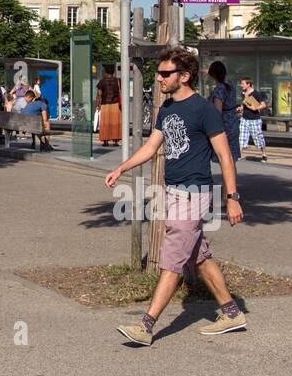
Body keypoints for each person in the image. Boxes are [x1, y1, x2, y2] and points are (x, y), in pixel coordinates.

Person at [105, 46, 245, 346]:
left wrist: (232, 197)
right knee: (198, 256)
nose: (159, 79)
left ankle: (146, 325)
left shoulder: (204, 109)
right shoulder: (167, 109)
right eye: (158, 73)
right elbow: (151, 147)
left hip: (194, 193)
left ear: (184, 76)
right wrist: (121, 167)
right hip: (173, 192)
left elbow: (224, 155)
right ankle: (232, 312)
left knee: (172, 260)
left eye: (165, 74)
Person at [207, 61, 241, 163]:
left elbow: (218, 111)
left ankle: (227, 179)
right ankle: (233, 179)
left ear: (213, 75)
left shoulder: (219, 89)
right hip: (233, 123)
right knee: (231, 159)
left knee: (224, 158)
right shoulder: (230, 85)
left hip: (224, 126)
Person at [238, 77, 269, 162]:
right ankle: (239, 154)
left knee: (258, 137)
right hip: (244, 119)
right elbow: (244, 104)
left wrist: (255, 108)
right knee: (242, 137)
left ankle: (264, 154)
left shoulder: (256, 93)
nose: (241, 85)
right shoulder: (243, 93)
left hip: (254, 119)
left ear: (248, 84)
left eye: (243, 84)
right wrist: (241, 108)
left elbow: (263, 105)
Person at [19, 83, 54, 150]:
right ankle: (47, 144)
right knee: (47, 124)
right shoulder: (42, 104)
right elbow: (45, 119)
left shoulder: (28, 105)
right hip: (32, 126)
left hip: (24, 125)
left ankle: (35, 142)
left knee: (35, 123)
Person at [97, 64, 123, 146]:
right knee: (115, 123)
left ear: (105, 71)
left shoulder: (102, 81)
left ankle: (105, 141)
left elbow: (99, 94)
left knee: (105, 123)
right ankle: (115, 141)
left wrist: (97, 105)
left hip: (105, 105)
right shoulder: (117, 81)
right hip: (115, 105)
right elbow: (121, 92)